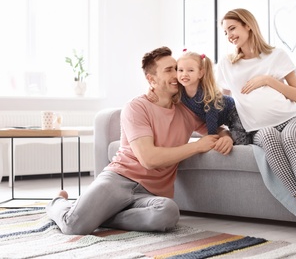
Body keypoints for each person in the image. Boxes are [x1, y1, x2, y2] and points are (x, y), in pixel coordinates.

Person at [46, 46, 233, 235]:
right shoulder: (136, 107)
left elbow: (215, 129)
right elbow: (149, 159)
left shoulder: (187, 111)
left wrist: (226, 137)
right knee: (73, 226)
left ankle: (103, 216)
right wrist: (197, 147)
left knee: (168, 213)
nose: (177, 75)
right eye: (169, 70)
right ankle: (57, 202)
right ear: (151, 79)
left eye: (176, 68)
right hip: (119, 180)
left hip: (151, 195)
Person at [216, 8, 296, 247]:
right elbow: (224, 103)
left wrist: (268, 80)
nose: (229, 35)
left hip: (293, 118)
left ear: (248, 25)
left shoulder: (276, 55)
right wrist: (224, 131)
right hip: (258, 128)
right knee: (271, 139)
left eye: (232, 28)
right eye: (225, 32)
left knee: (291, 139)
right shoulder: (226, 64)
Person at [148, 49, 252, 145]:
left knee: (240, 140)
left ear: (200, 73)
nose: (184, 74)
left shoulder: (206, 95)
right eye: (180, 70)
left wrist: (211, 137)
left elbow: (211, 120)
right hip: (222, 119)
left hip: (233, 111)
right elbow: (165, 92)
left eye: (190, 70)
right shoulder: (180, 90)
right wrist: (151, 90)